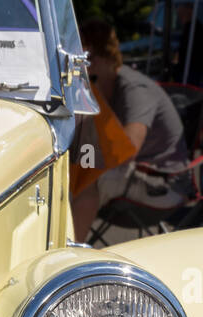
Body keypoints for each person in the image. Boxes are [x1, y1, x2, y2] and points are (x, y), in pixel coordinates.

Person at [70, 19, 192, 242]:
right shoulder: (106, 86)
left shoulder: (135, 89)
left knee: (89, 180)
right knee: (68, 175)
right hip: (137, 175)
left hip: (163, 182)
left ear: (101, 59)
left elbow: (130, 148)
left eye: (86, 59)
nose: (83, 68)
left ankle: (69, 253)